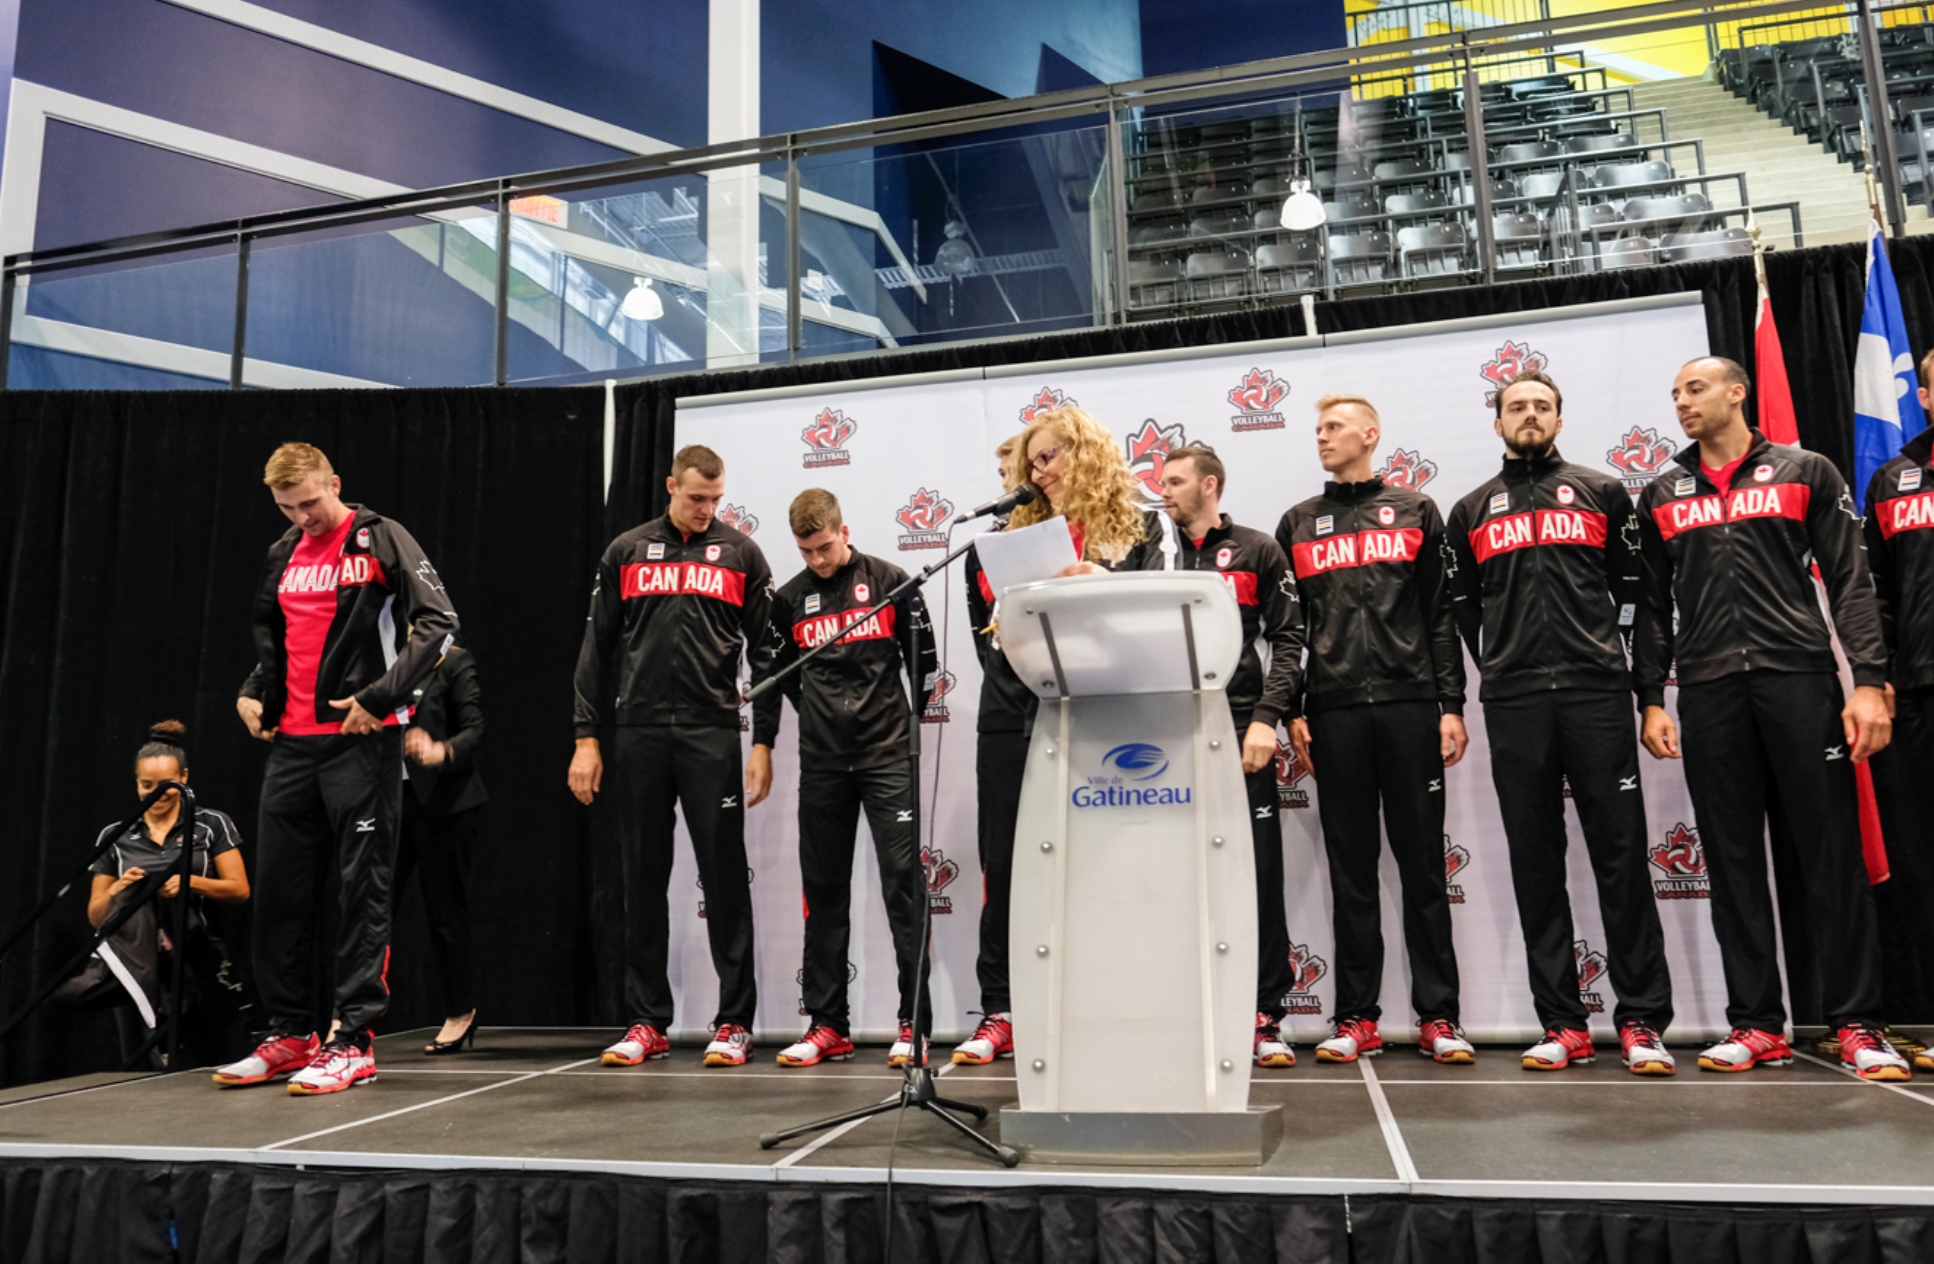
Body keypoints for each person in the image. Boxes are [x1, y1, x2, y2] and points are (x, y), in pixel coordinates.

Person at [1635, 356, 1909, 1080]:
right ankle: (1756, 1024)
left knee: (1829, 856)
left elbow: (1851, 578)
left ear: (1737, 392)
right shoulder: (1664, 490)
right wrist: (1652, 698)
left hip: (1798, 681)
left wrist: (1869, 682)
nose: (1683, 403)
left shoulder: (1804, 470)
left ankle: (1856, 1023)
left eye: (1695, 389)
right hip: (1709, 690)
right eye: (1674, 393)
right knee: (1730, 861)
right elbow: (1653, 609)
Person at [1444, 372, 1676, 1076]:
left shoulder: (1605, 492)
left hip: (1596, 696)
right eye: (1517, 407)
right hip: (1514, 703)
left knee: (1620, 857)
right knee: (1536, 864)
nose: (1530, 416)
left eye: (1542, 406)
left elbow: (1638, 601)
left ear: (1559, 418)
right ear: (1497, 422)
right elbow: (1461, 614)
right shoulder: (1470, 509)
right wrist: (1496, 671)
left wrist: (1644, 693)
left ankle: (1641, 1022)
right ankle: (1564, 1024)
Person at [222, 443, 458, 1095]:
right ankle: (289, 1033)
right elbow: (285, 636)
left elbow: (438, 624)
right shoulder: (283, 550)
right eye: (287, 507)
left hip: (361, 741)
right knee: (280, 895)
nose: (303, 517)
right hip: (293, 747)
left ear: (336, 484)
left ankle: (351, 1041)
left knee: (362, 892)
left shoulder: (379, 538)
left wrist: (380, 698)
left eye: (310, 502)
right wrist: (251, 689)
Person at [953, 407, 1164, 1064]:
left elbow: (1157, 615)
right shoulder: (1001, 545)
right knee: (1006, 864)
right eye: (1032, 462)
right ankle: (1001, 1010)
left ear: (1087, 452)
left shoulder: (1140, 529)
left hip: (1105, 718)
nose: (1040, 472)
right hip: (1013, 714)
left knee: (1104, 866)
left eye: (1050, 457)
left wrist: (1102, 583)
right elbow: (988, 639)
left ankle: (1105, 1001)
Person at [1274, 393, 1474, 1066]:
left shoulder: (1418, 510)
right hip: (1333, 715)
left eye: (1334, 427)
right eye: (1318, 429)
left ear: (1370, 433)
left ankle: (1439, 1017)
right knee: (1351, 869)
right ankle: (1356, 1017)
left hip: (1411, 706)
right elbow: (1289, 632)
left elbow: (1439, 614)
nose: (1322, 437)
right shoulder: (1298, 523)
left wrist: (1451, 703)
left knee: (1423, 866)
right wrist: (1295, 708)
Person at [571, 444, 775, 1068]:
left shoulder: (741, 553)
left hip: (713, 733)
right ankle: (645, 1021)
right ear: (670, 487)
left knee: (723, 876)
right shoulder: (627, 550)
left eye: (715, 500)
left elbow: (768, 656)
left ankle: (734, 1021)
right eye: (695, 499)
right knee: (642, 877)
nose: (706, 510)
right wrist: (586, 736)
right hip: (637, 734)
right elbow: (595, 648)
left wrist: (762, 740)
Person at [1122, 445, 1304, 1068]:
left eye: (1174, 481)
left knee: (1256, 875)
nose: (1162, 490)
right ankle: (1179, 1009)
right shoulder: (1146, 553)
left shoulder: (1257, 548)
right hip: (1165, 737)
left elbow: (1289, 640)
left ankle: (1263, 1016)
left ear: (1210, 485)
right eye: (1159, 480)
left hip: (1240, 729)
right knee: (1169, 878)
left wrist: (1265, 720)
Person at [753, 490, 938, 1067]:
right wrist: (819, 716)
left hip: (887, 759)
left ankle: (915, 1025)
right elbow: (778, 675)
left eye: (825, 546)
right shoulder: (787, 601)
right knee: (823, 893)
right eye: (806, 552)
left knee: (904, 889)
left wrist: (895, 723)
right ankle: (828, 1024)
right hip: (824, 763)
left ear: (844, 530)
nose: (818, 560)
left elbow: (924, 666)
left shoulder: (891, 580)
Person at [73, 722, 249, 1065]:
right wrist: (120, 889)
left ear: (184, 778)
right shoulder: (115, 834)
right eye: (145, 785)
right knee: (144, 1068)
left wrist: (190, 883)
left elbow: (239, 890)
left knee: (207, 1060)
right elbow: (96, 915)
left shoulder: (212, 824)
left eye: (165, 786)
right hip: (136, 963)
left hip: (200, 957)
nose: (155, 795)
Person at [1864, 348, 1934, 1073]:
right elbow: (1875, 591)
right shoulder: (1893, 477)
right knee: (1923, 861)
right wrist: (1875, 674)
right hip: (1915, 692)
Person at [394, 643, 487, 1055]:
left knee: (445, 912)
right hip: (387, 801)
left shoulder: (452, 660)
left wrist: (441, 751)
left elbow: (474, 728)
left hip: (445, 803)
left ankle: (459, 1012)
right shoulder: (381, 662)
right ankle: (350, 1015)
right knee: (368, 911)